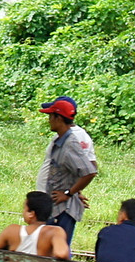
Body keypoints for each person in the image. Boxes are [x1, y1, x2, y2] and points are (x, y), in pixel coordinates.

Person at [35, 96, 98, 244]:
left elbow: (89, 171)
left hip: (62, 210)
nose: (49, 119)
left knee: (57, 251)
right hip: (54, 207)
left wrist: (69, 193)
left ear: (58, 118)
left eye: (51, 116)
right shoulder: (61, 140)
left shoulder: (70, 144)